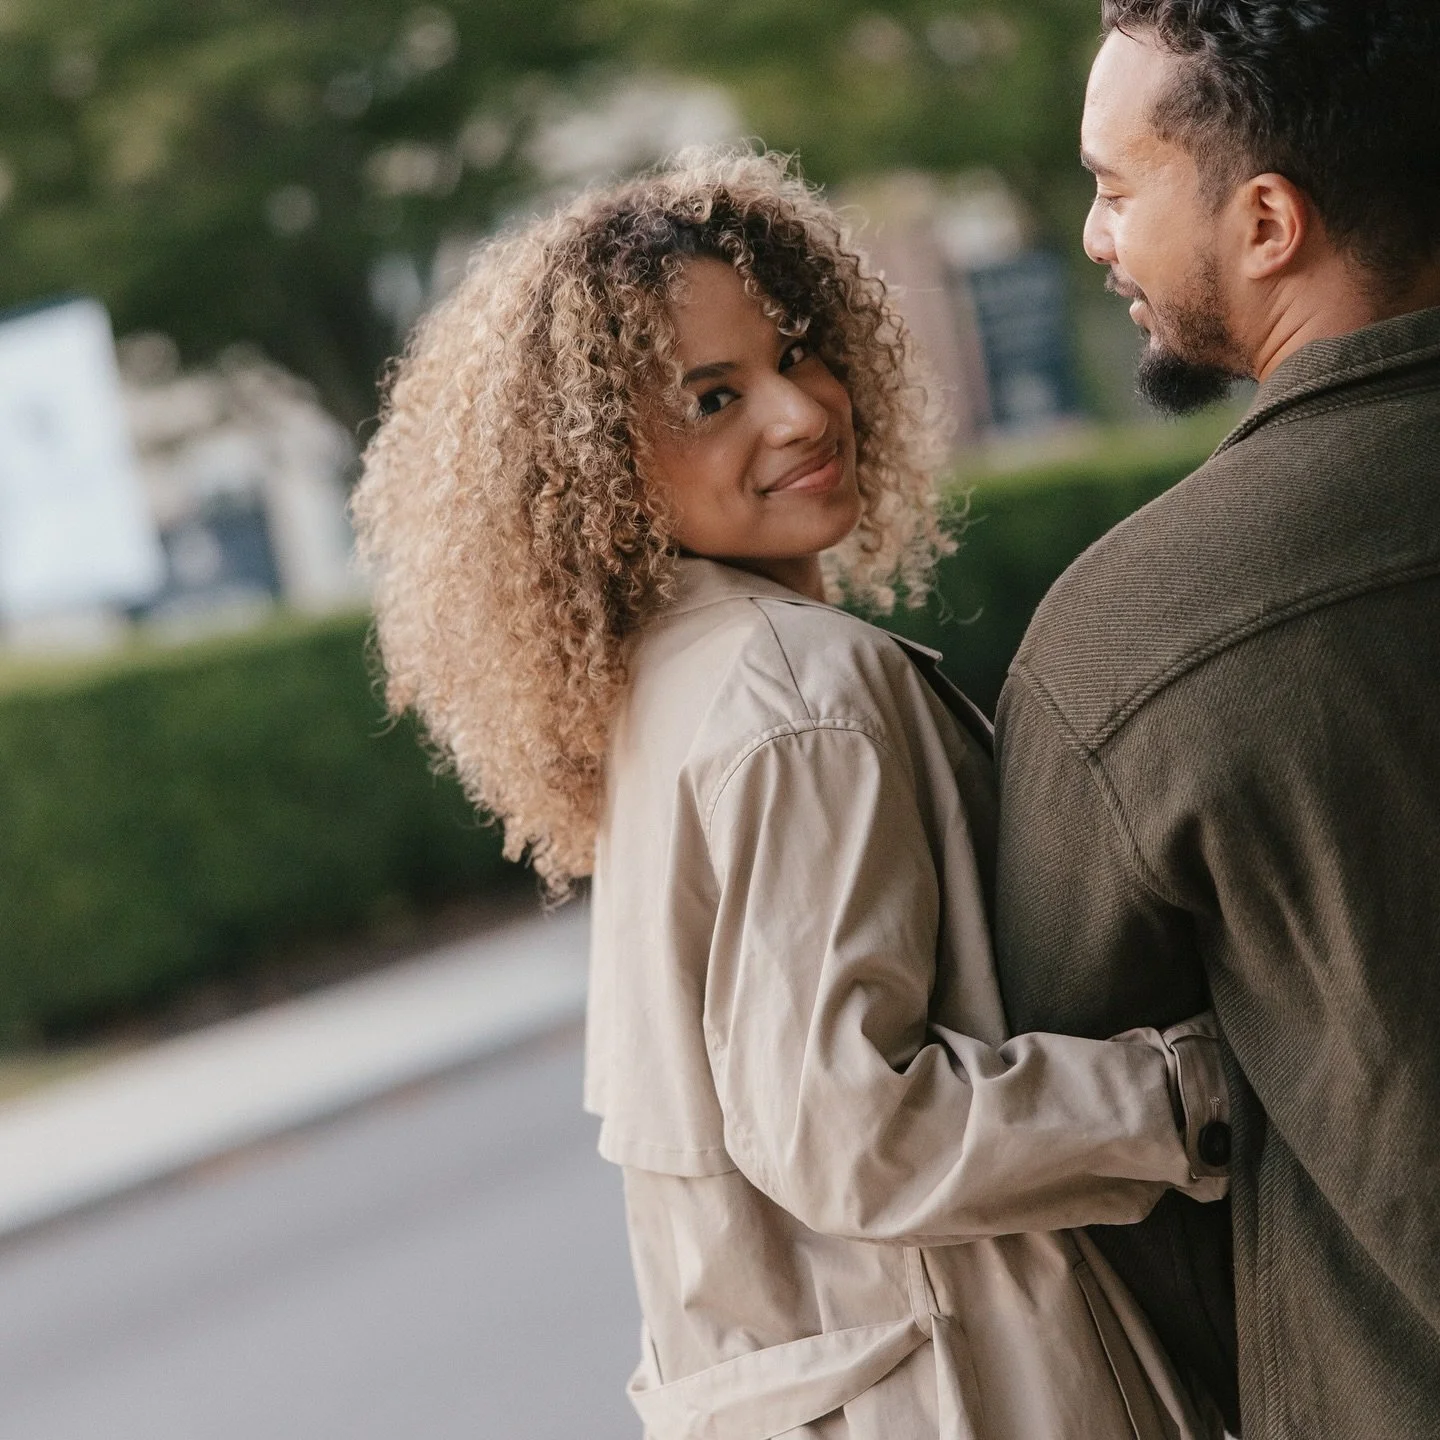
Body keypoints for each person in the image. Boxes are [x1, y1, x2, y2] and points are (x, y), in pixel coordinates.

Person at [352, 147, 1234, 1438]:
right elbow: (855, 1130)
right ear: (602, 460)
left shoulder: (670, 689)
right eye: (711, 398)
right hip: (975, 1392)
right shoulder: (793, 691)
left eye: (800, 353)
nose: (801, 411)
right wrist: (1200, 1089)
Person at [993, 3, 1440, 1437]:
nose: (1092, 236)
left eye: (1116, 189)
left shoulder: (1131, 636)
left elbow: (1093, 1179)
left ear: (1266, 222)